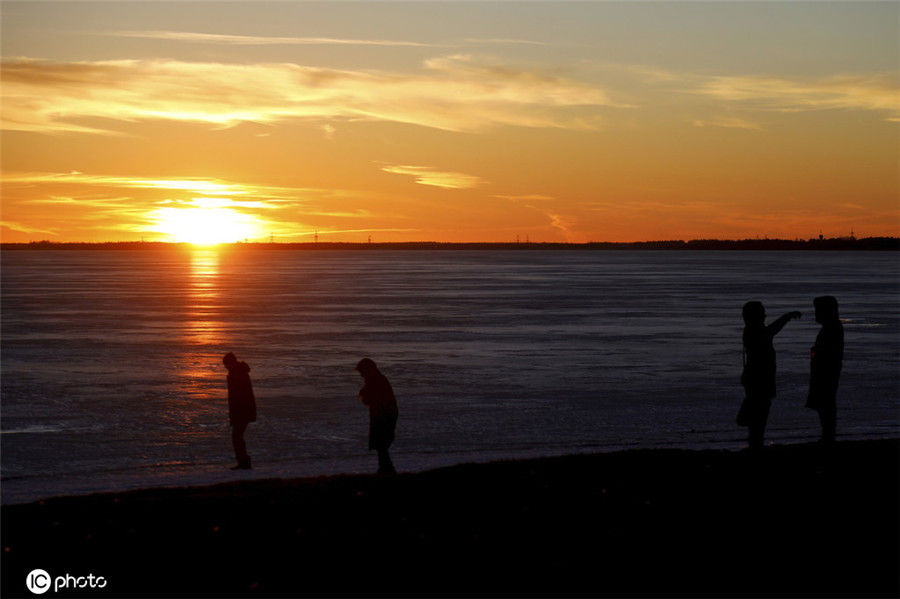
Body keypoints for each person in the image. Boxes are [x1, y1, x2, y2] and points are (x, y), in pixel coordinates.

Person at [737, 302, 801, 450]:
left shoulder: (752, 330)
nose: (765, 316)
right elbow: (772, 330)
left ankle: (755, 444)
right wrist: (787, 317)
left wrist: (786, 317)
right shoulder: (756, 332)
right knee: (759, 417)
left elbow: (772, 330)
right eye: (762, 314)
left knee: (757, 417)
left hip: (756, 380)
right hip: (760, 381)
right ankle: (756, 446)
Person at [806, 296, 844, 445]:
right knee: (825, 404)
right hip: (826, 372)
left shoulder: (832, 328)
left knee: (826, 405)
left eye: (818, 311)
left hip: (826, 373)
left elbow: (828, 354)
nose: (815, 314)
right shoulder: (831, 327)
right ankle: (827, 435)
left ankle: (828, 436)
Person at [355, 358, 398, 475]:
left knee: (381, 446)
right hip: (384, 416)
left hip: (383, 417)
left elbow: (370, 400)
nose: (362, 375)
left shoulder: (376, 381)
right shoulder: (377, 380)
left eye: (362, 372)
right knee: (382, 447)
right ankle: (385, 470)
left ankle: (387, 471)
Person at [223, 352, 256, 469]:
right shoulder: (238, 372)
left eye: (226, 365)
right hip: (242, 410)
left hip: (242, 411)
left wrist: (235, 414)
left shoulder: (237, 374)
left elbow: (237, 397)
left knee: (237, 436)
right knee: (238, 436)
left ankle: (244, 462)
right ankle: (243, 461)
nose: (226, 367)